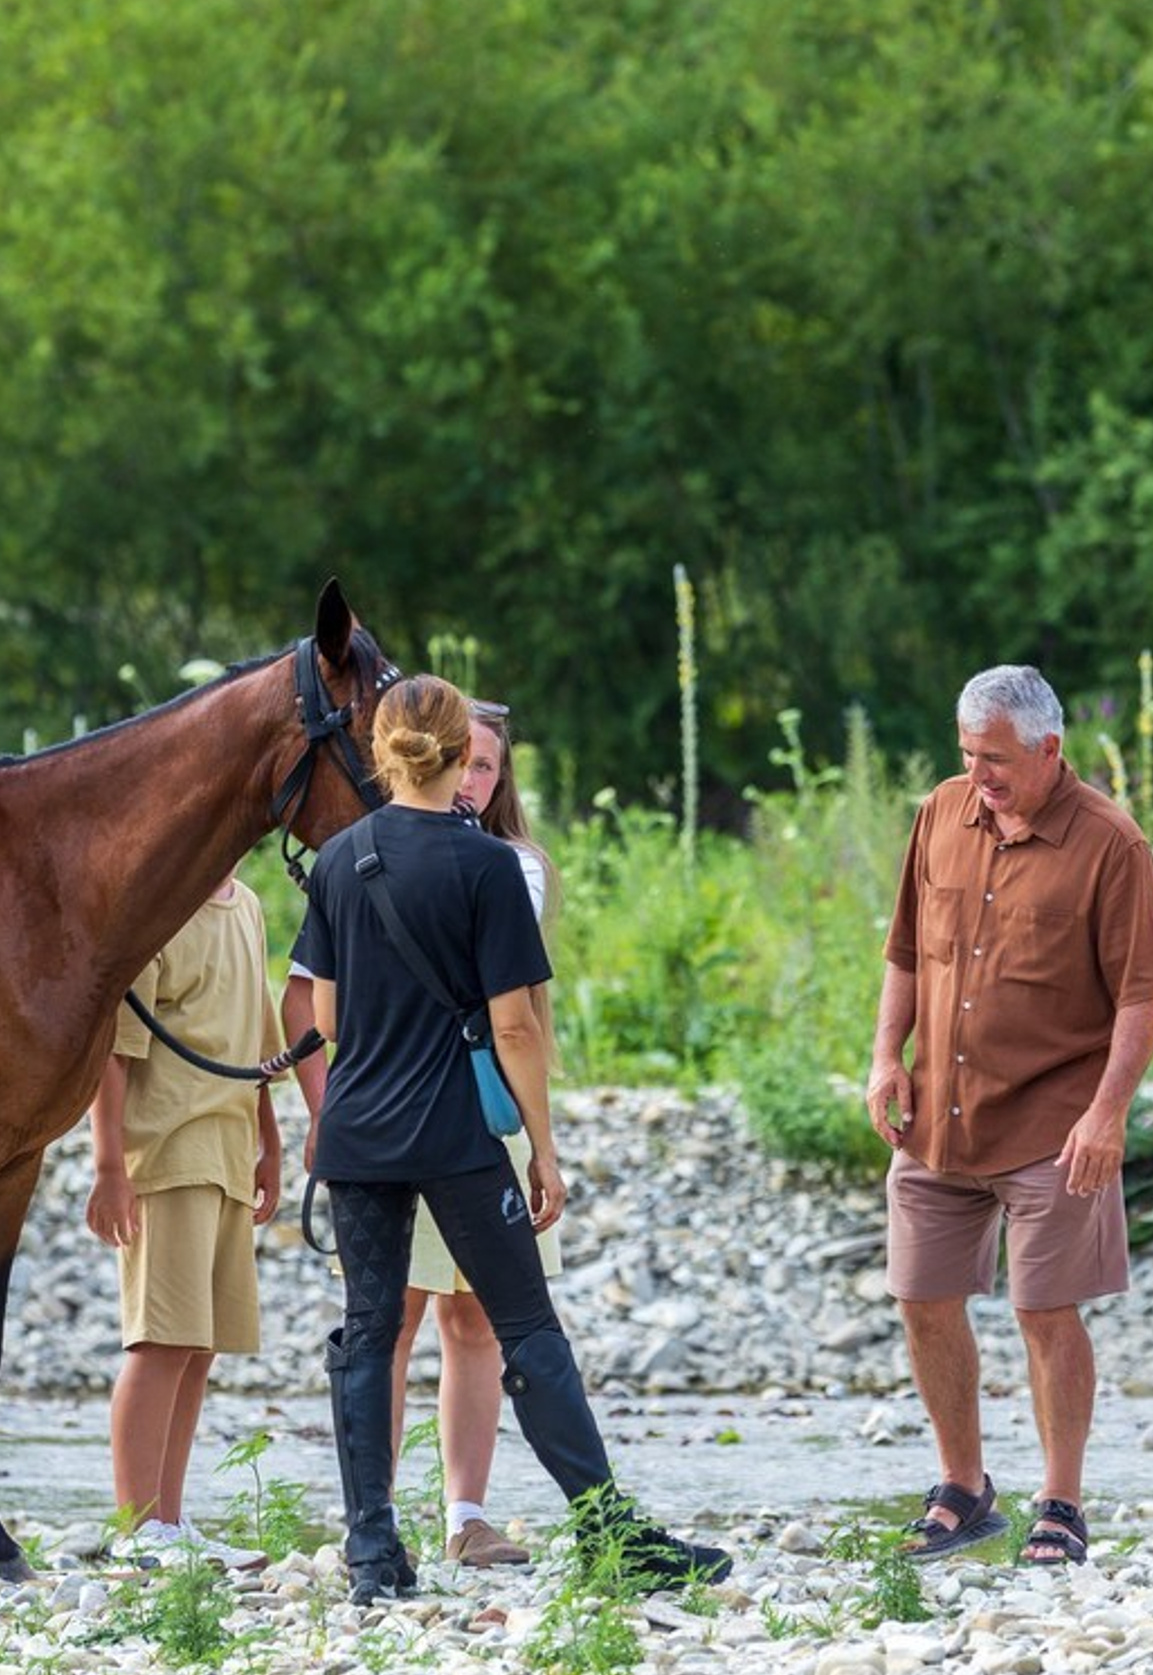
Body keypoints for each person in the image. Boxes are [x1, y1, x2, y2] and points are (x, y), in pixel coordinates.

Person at [294, 672, 731, 1605]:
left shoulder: (336, 860)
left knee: (369, 1332)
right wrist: (543, 1148)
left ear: (379, 752)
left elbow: (326, 1016)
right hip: (455, 1132)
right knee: (525, 1326)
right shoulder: (487, 866)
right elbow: (516, 1027)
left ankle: (373, 1551)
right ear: (463, 756)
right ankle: (612, 1536)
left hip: (359, 1131)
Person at [866, 665, 1153, 1568]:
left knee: (1045, 1311)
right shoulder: (941, 811)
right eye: (968, 754)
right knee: (921, 1298)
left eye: (996, 759)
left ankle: (1062, 1503)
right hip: (938, 1120)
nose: (979, 775)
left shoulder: (1112, 844)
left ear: (1050, 749)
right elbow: (904, 952)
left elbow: (1142, 997)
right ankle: (963, 1489)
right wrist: (886, 1057)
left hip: (1055, 1126)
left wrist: (1107, 1115)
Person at [282, 698, 562, 1570]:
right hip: (430, 1123)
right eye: (462, 760)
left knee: (470, 1321)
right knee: (396, 1321)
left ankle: (457, 1516)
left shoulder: (510, 866)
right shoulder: (363, 859)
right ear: (427, 757)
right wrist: (325, 1109)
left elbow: (334, 1011)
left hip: (466, 1113)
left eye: (487, 766)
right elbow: (307, 1001)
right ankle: (378, 1519)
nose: (471, 778)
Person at [85, 873, 283, 1570]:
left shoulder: (248, 906)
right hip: (166, 1152)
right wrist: (110, 1169)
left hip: (229, 1151)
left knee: (200, 1348)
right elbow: (112, 1053)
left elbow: (260, 1046)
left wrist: (271, 1144)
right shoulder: (156, 907)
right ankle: (136, 1530)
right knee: (160, 1341)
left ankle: (168, 1523)